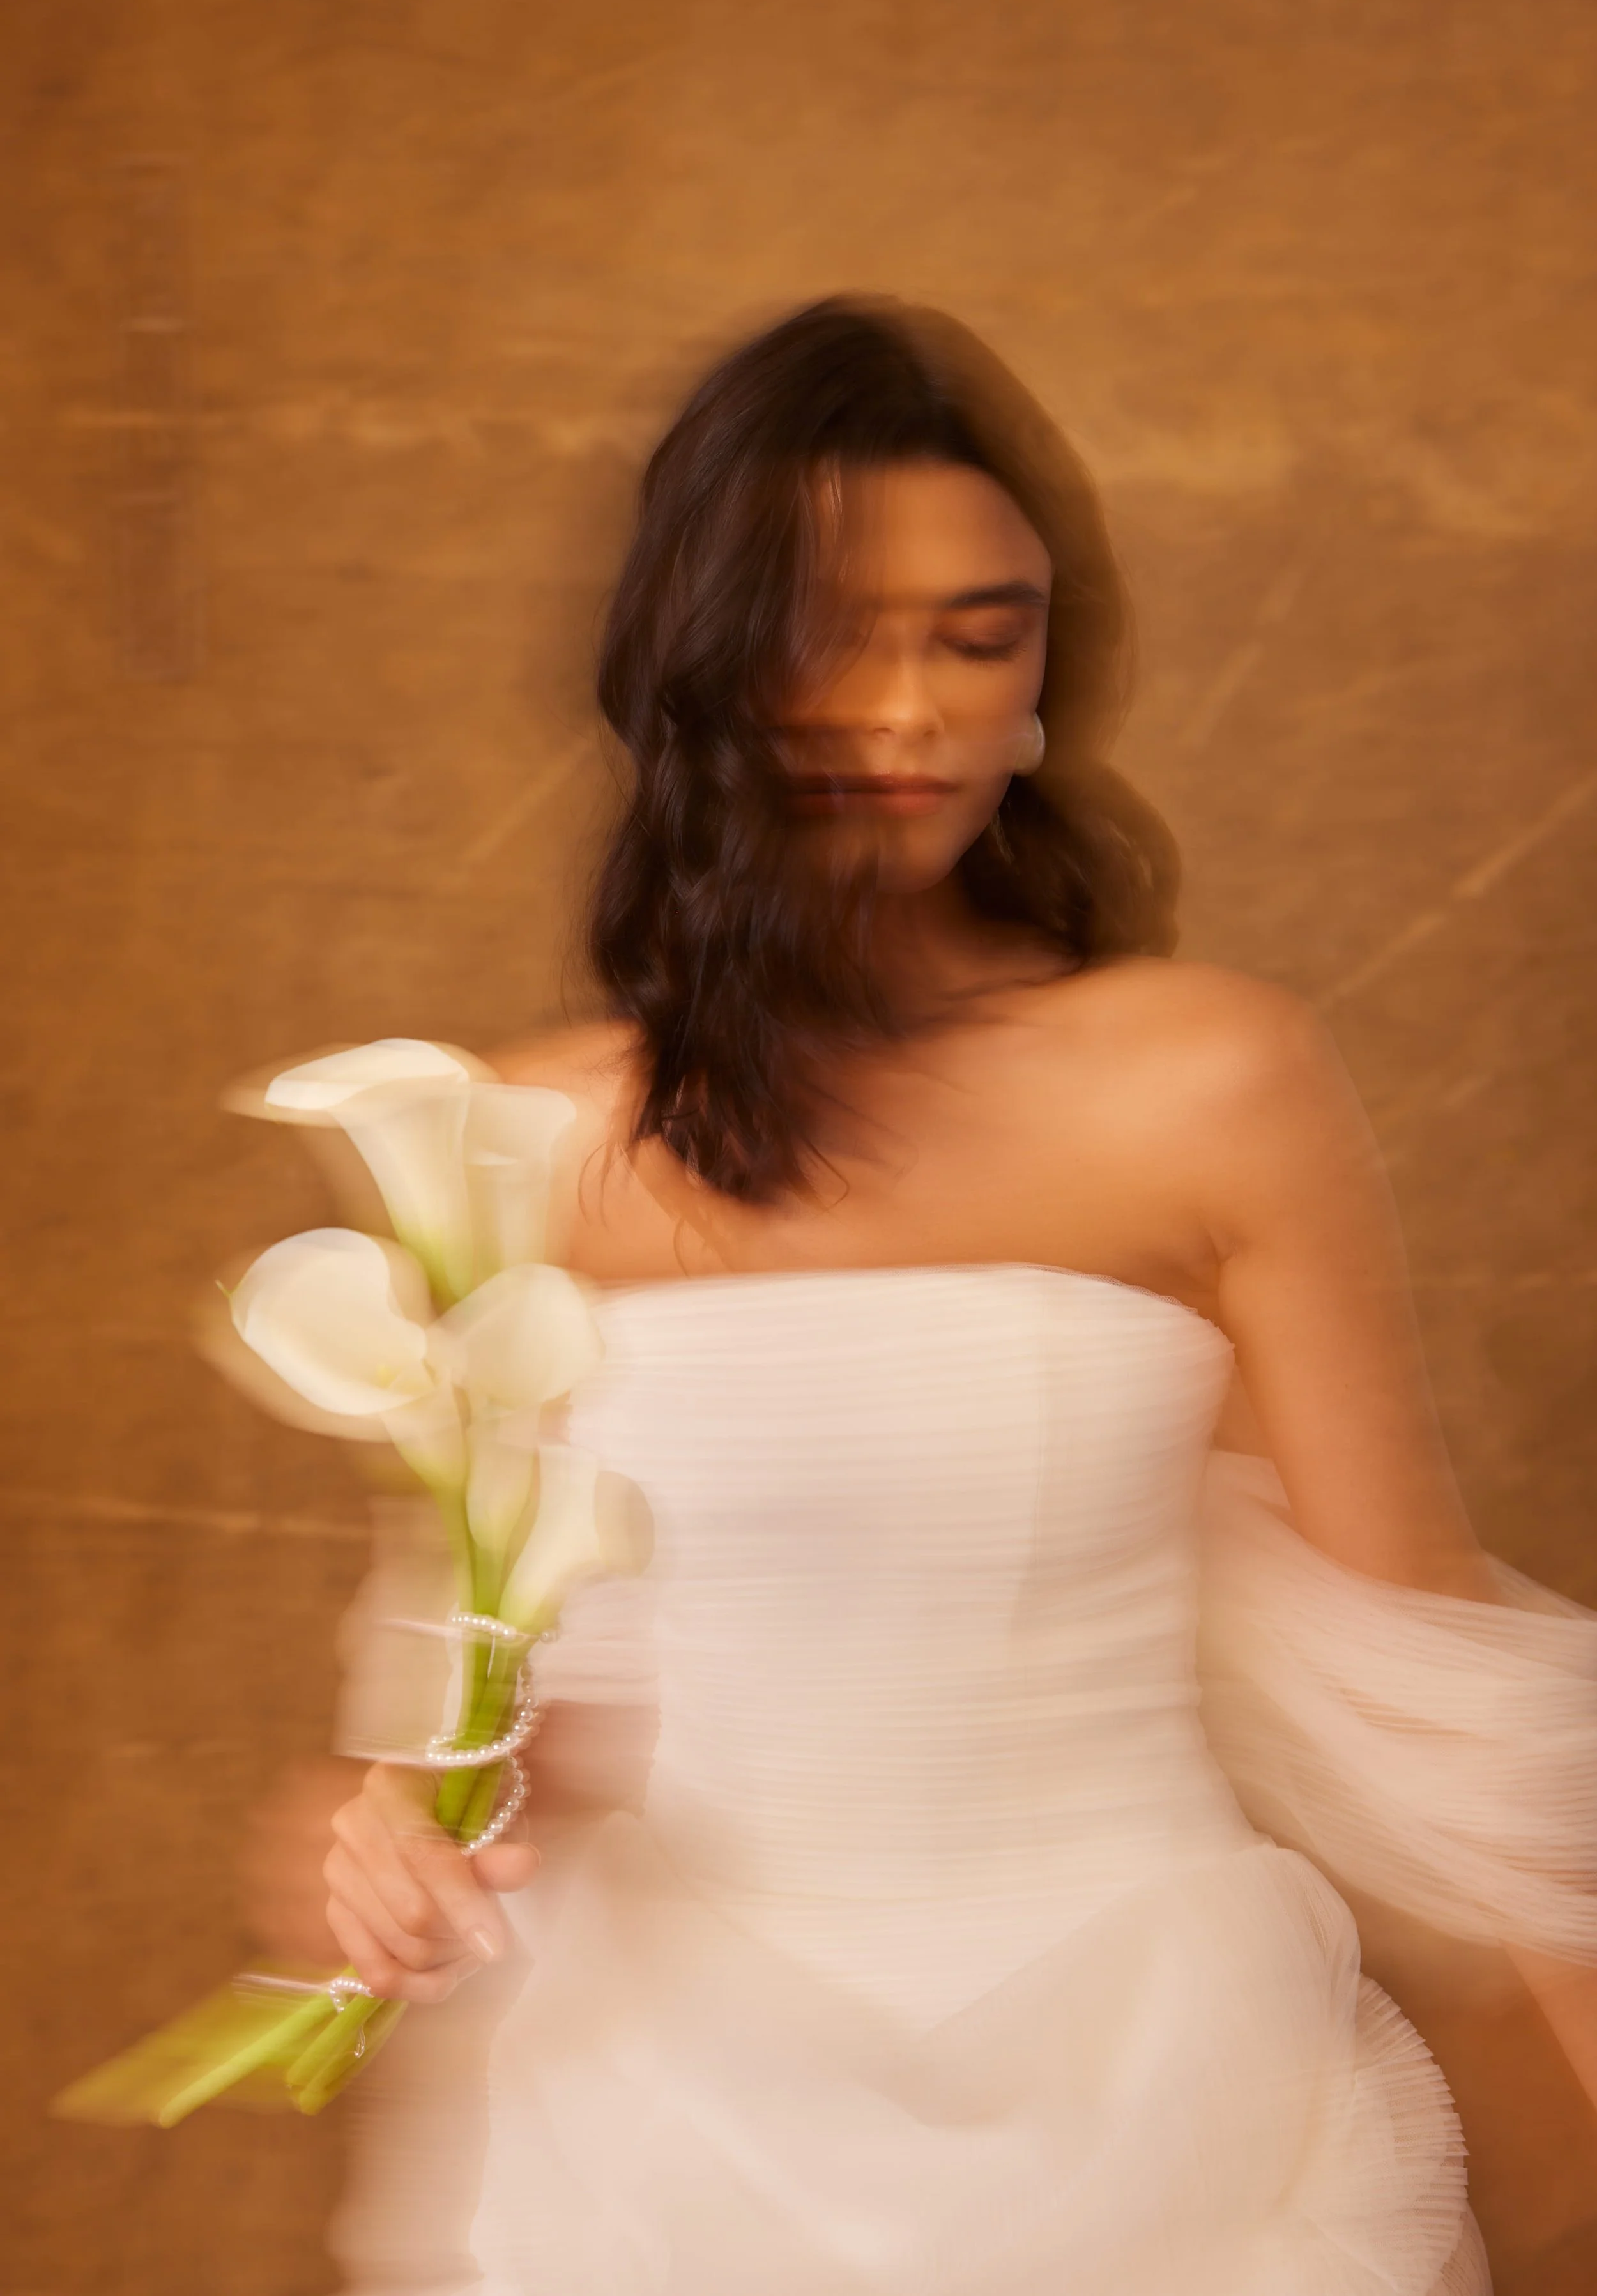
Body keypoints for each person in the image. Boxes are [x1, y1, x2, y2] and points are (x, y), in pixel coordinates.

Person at [248, 298, 1597, 2293]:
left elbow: (1422, 1679)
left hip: (1154, 2098)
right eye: (830, 637)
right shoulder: (518, 1135)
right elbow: (484, 1716)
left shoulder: (1203, 1079)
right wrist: (374, 1845)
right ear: (697, 666)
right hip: (650, 2138)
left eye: (981, 636)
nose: (908, 716)